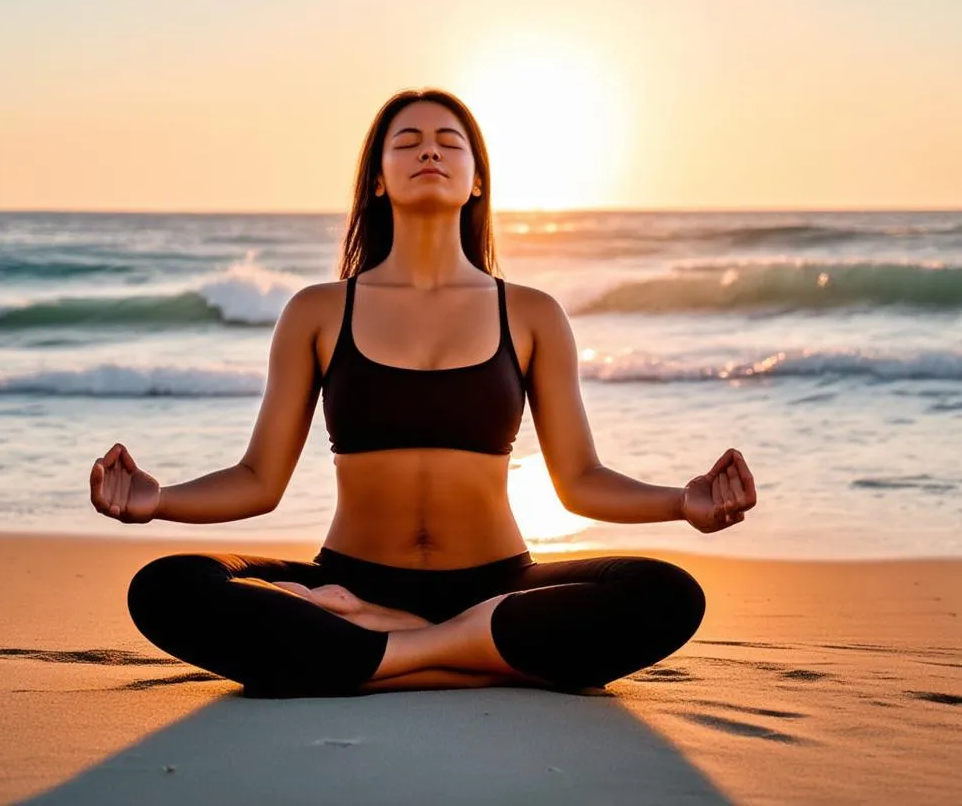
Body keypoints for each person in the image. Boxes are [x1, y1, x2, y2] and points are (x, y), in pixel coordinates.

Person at [90, 87, 758, 698]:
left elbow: (580, 480)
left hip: (498, 585)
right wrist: (158, 502)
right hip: (350, 581)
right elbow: (259, 479)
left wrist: (681, 502)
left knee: (666, 594)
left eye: (449, 141)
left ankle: (388, 646)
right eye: (406, 142)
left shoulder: (530, 313)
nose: (430, 150)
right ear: (378, 180)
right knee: (169, 587)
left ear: (476, 181)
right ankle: (472, 653)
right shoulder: (319, 311)